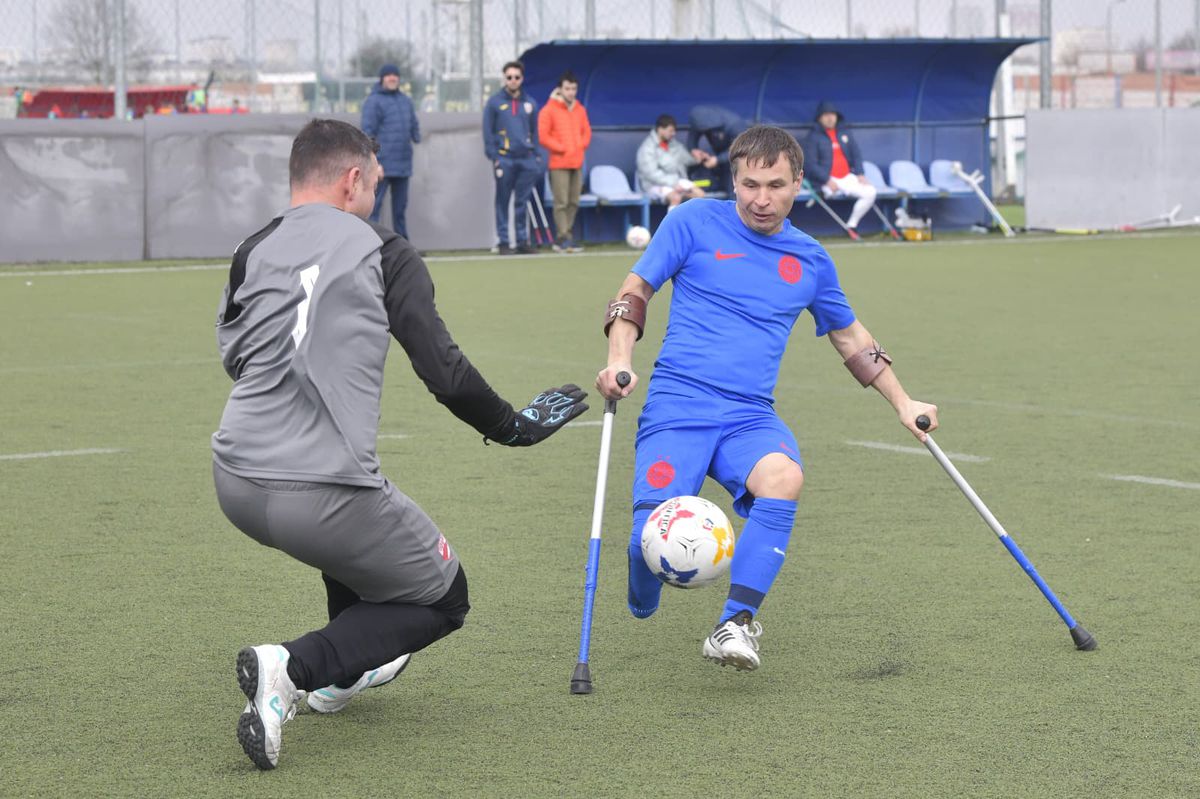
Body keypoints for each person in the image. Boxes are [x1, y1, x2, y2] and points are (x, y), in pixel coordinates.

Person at [212, 119, 588, 770]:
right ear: (353, 178)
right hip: (323, 490)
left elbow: (236, 358)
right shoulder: (384, 249)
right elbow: (444, 371)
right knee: (444, 597)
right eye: (375, 182)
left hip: (235, 480)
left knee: (359, 547)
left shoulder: (254, 246)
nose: (375, 196)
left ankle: (339, 675)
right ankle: (293, 668)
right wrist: (512, 426)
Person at [596, 125, 937, 673]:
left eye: (776, 185)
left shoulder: (811, 260)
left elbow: (851, 337)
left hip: (748, 416)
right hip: (678, 406)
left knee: (784, 477)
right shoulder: (691, 221)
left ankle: (734, 623)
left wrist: (903, 402)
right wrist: (620, 360)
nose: (761, 199)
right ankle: (643, 575)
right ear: (733, 180)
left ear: (798, 183)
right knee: (647, 541)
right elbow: (634, 292)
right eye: (750, 184)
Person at [483, 60, 542, 255]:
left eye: (517, 77)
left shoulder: (530, 103)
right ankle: (504, 241)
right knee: (502, 201)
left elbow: (535, 132)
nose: (513, 80)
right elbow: (488, 132)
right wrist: (494, 156)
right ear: (504, 78)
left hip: (527, 160)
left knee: (522, 202)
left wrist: (536, 156)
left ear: (522, 79)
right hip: (504, 159)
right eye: (509, 77)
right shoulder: (494, 103)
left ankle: (522, 240)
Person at [361, 64, 421, 239]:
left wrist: (416, 134)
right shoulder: (373, 101)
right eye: (388, 75)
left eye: (395, 75)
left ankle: (403, 246)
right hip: (382, 166)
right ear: (382, 78)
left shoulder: (405, 101)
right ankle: (370, 245)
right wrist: (375, 163)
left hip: (403, 166)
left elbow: (414, 126)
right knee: (373, 208)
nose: (393, 78)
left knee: (400, 210)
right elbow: (367, 134)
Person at [803, 100, 877, 241]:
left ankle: (851, 225)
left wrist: (860, 174)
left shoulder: (845, 133)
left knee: (870, 192)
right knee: (828, 192)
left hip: (847, 177)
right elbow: (810, 165)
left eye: (832, 114)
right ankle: (823, 192)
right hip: (827, 180)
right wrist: (826, 180)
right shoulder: (813, 137)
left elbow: (856, 155)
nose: (830, 118)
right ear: (819, 117)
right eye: (826, 115)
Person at [537, 70, 591, 253]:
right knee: (561, 202)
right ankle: (563, 237)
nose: (571, 92)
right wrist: (562, 148)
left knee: (574, 201)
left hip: (577, 162)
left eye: (574, 89)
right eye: (567, 88)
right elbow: (543, 136)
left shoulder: (580, 109)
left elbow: (586, 132)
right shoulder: (548, 110)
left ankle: (566, 235)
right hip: (559, 163)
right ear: (560, 89)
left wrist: (580, 146)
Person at [636, 114, 714, 209]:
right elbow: (651, 174)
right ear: (660, 129)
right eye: (670, 131)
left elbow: (686, 159)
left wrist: (698, 157)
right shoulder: (647, 148)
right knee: (675, 197)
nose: (673, 134)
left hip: (677, 181)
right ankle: (672, 219)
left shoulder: (674, 144)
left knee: (699, 194)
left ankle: (690, 218)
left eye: (674, 131)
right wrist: (674, 183)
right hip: (653, 185)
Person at [685, 104, 748, 194]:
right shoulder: (700, 120)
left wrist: (718, 159)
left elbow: (742, 149)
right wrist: (694, 150)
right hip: (718, 156)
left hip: (736, 160)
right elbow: (693, 137)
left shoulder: (735, 125)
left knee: (732, 186)